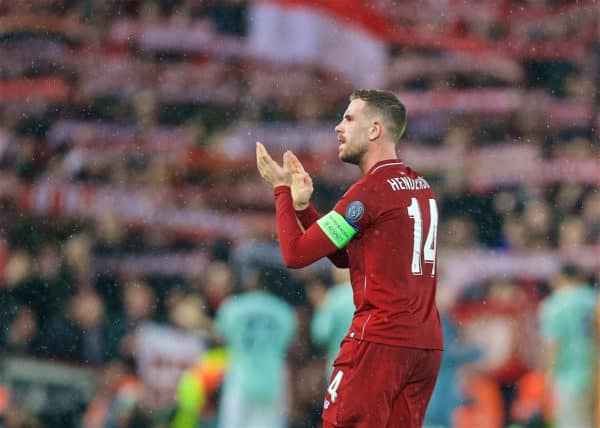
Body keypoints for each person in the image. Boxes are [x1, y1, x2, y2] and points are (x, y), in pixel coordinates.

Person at [256, 89, 443, 428]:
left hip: (380, 340)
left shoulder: (370, 191)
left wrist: (281, 191)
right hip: (425, 345)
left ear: (374, 130)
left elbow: (295, 254)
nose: (338, 128)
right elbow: (347, 257)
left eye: (348, 119)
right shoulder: (420, 186)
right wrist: (303, 208)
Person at [214, 267, 297, 428]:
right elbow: (290, 347)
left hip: (240, 379)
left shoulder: (233, 306)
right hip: (273, 381)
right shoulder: (284, 310)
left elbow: (220, 338)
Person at [538, 264, 597, 428]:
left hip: (569, 379)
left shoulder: (553, 305)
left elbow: (552, 345)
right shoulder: (595, 299)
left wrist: (549, 376)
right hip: (596, 375)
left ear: (560, 279)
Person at [308, 268, 354, 377]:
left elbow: (320, 335)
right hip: (366, 366)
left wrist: (320, 307)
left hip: (339, 367)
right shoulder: (367, 294)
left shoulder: (332, 298)